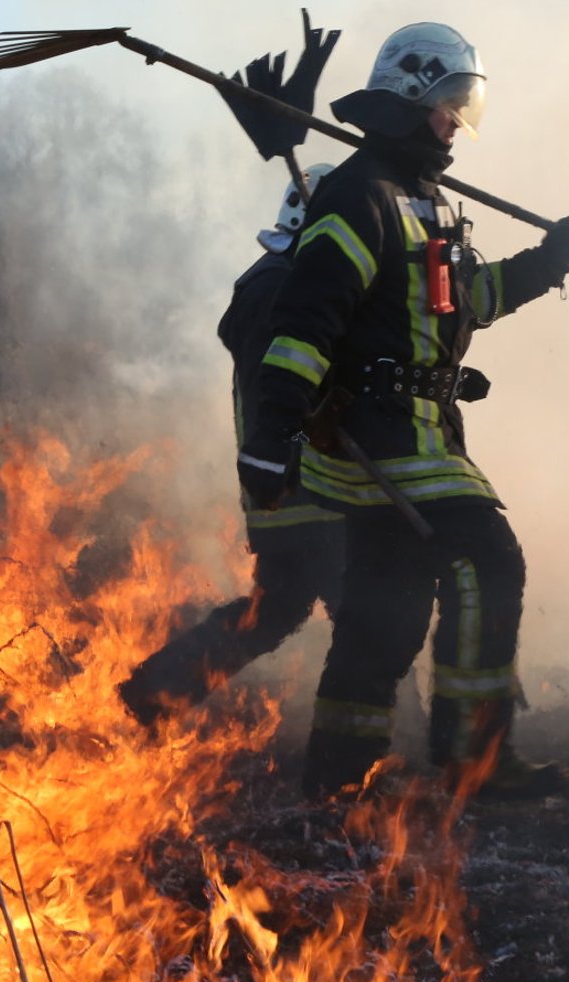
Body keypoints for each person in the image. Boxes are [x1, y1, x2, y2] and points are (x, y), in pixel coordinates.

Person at [236, 22, 569, 799]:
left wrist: (552, 258)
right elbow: (304, 323)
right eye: (449, 104)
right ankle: (477, 758)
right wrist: (272, 437)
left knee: (389, 611)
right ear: (411, 95)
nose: (456, 123)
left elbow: (468, 300)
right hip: (385, 438)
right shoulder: (357, 195)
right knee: (488, 560)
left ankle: (335, 775)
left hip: (420, 434)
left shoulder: (421, 201)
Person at [117, 166, 348, 724]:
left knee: (279, 610)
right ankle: (386, 744)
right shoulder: (281, 289)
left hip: (299, 487)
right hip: (306, 486)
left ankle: (155, 692)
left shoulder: (280, 281)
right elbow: (287, 388)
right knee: (365, 616)